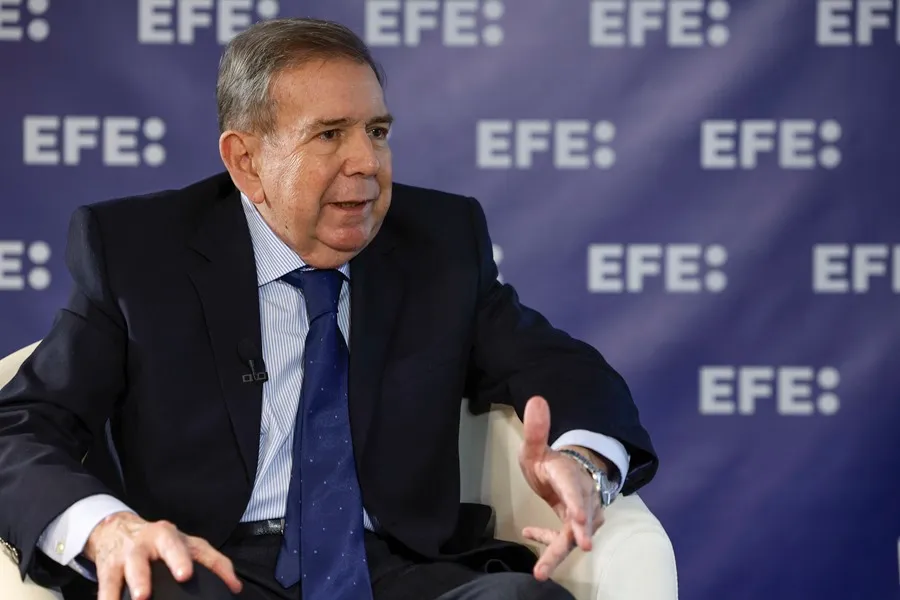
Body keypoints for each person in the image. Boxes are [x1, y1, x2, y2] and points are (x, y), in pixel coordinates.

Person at [0, 17, 657, 600]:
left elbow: (562, 368)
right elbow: (22, 427)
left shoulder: (439, 243)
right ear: (245, 160)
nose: (367, 162)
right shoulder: (138, 253)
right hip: (207, 567)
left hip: (398, 568)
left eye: (377, 131)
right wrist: (109, 530)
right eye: (329, 135)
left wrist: (583, 461)